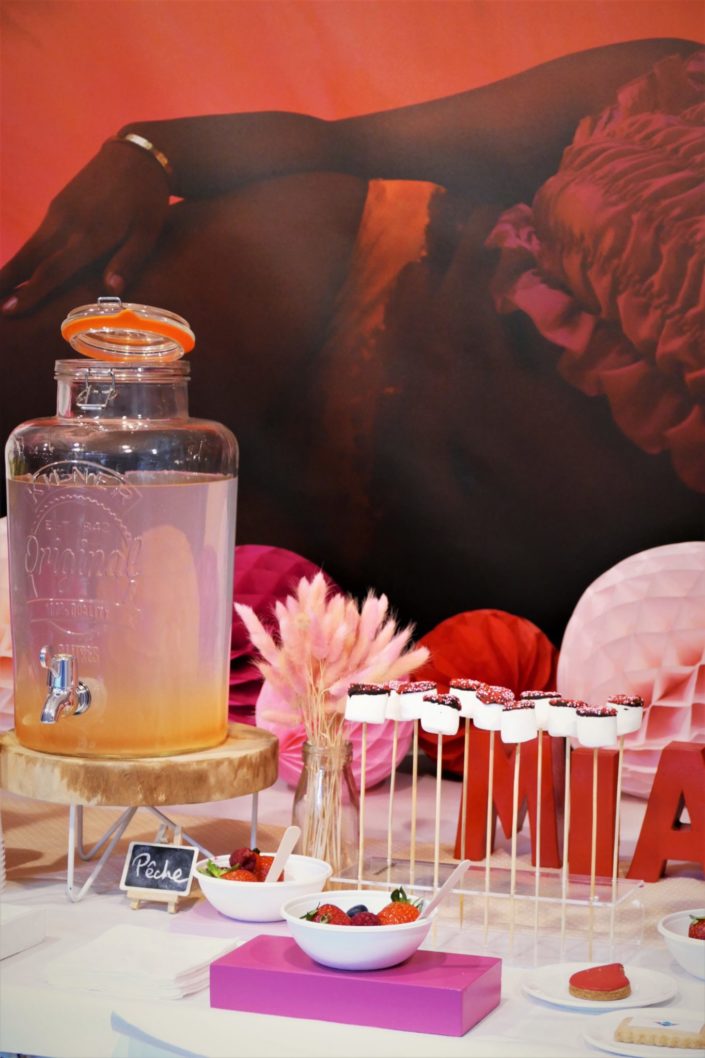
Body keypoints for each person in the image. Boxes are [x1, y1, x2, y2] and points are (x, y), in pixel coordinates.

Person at [1, 38, 702, 644]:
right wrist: (152, 151)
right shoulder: (679, 87)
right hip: (309, 293)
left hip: (418, 584)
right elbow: (353, 142)